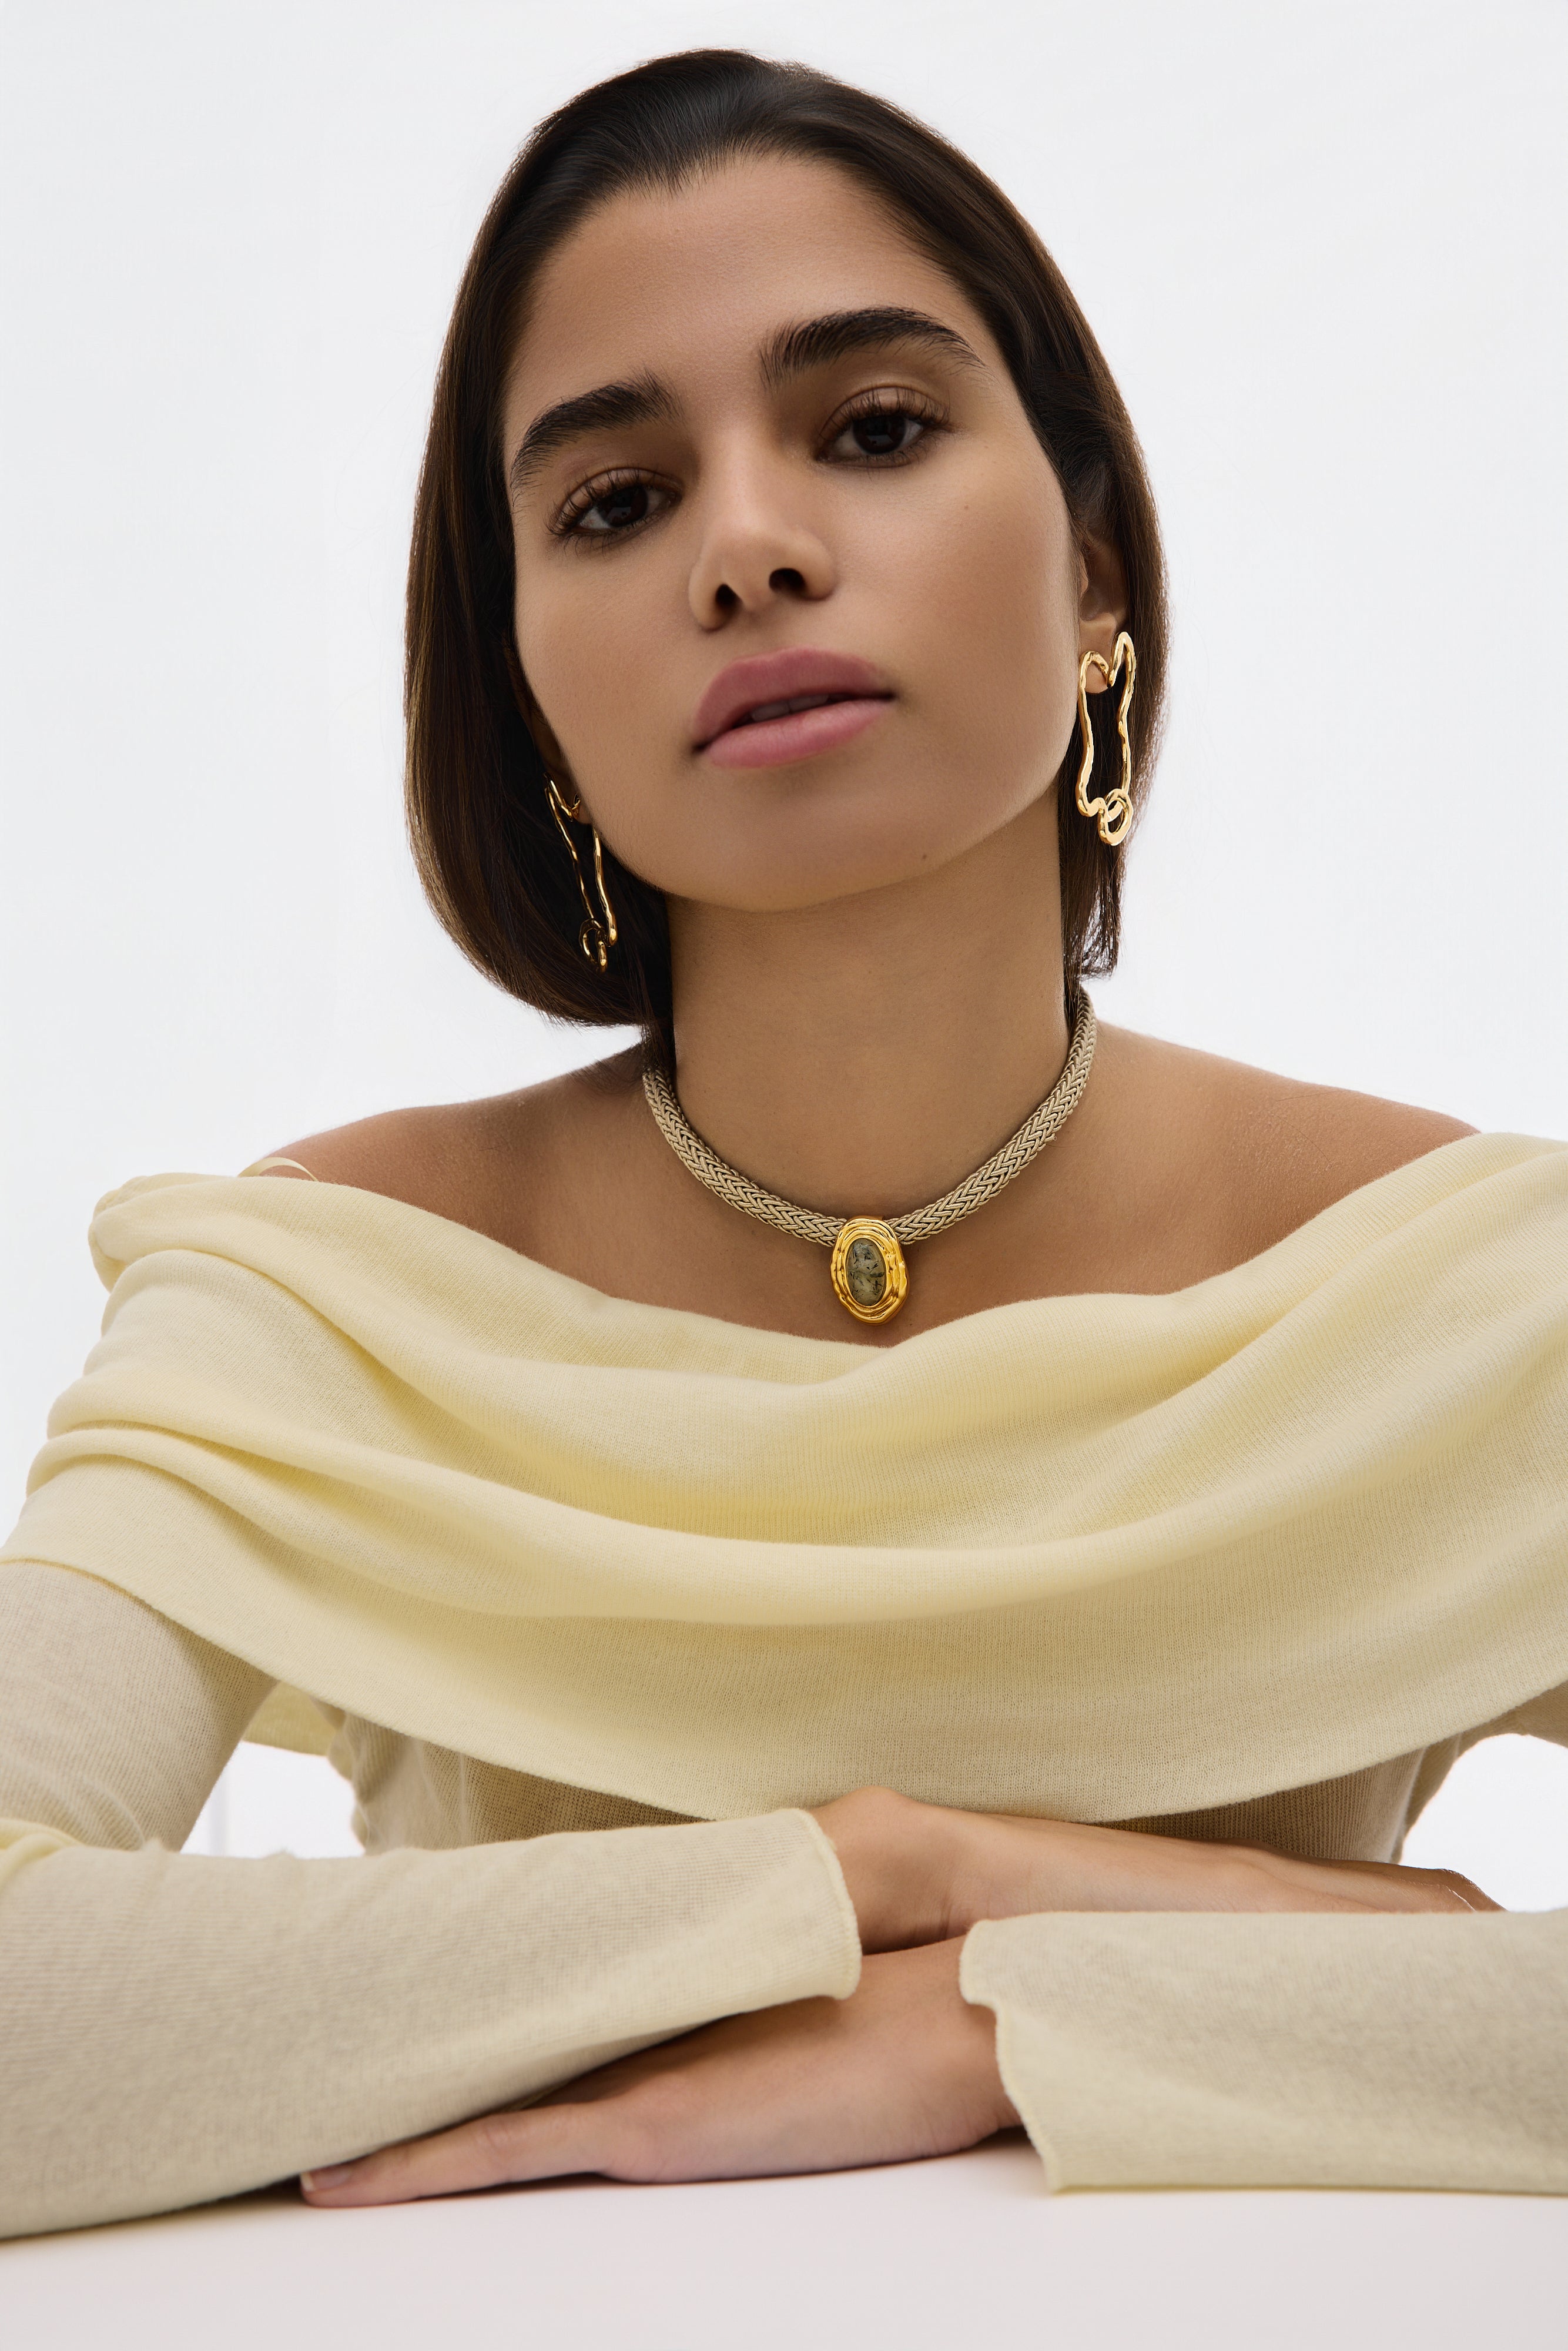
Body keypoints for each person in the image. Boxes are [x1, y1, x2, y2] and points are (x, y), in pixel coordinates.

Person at [2, 49, 1564, 2241]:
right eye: (614, 501)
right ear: (532, 687)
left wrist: (1011, 2004)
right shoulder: (327, 1303)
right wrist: (872, 1874)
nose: (748, 544)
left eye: (875, 429)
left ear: (1096, 570)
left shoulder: (1460, 1290)